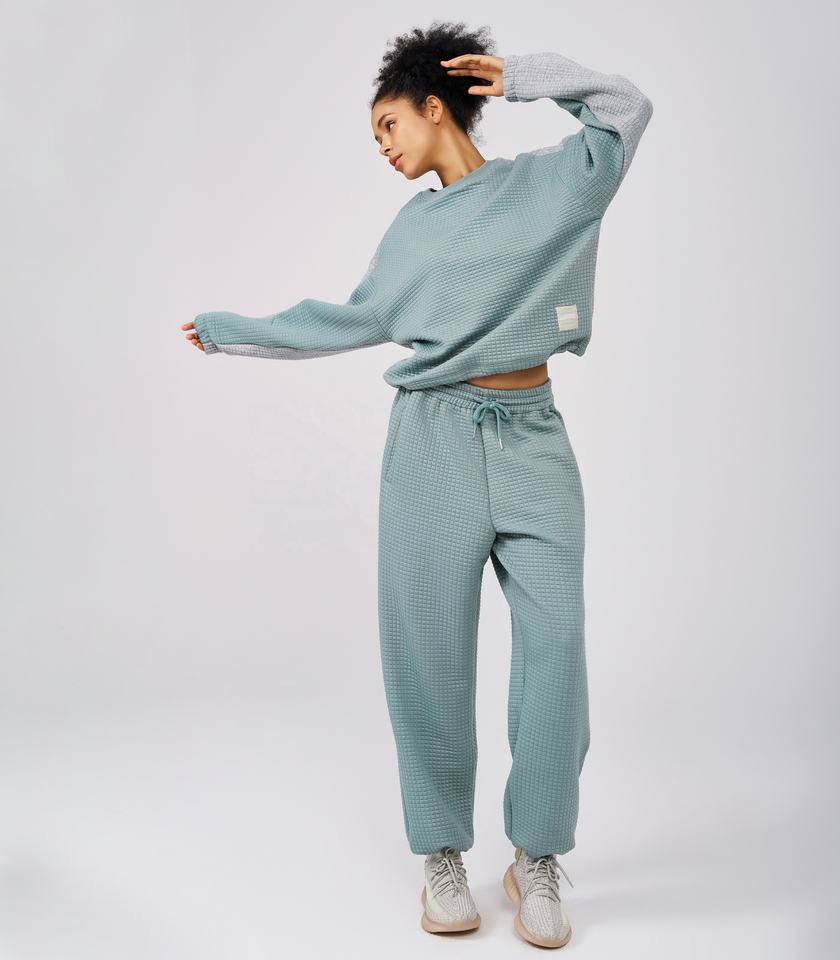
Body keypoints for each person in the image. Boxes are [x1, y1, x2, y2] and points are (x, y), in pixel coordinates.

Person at [182, 20, 653, 950]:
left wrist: (523, 77)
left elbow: (627, 108)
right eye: (376, 138)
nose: (383, 147)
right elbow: (349, 319)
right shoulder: (413, 230)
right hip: (432, 441)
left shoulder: (556, 185)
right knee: (428, 651)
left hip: (534, 439)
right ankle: (442, 852)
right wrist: (236, 330)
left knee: (557, 648)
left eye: (388, 125)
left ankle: (537, 856)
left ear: (436, 107)